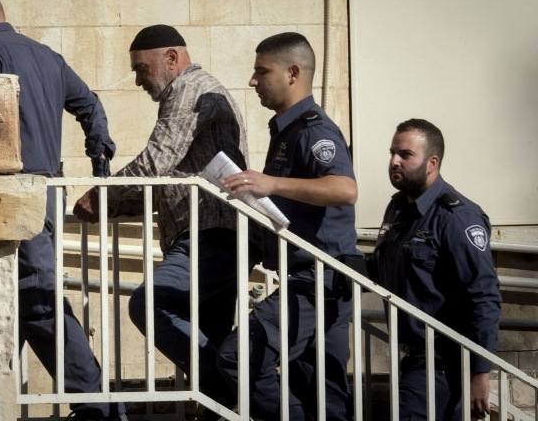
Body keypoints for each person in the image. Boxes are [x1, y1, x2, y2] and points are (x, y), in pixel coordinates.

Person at [73, 24, 253, 418]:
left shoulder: (189, 89)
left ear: (171, 58)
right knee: (211, 341)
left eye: (141, 68)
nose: (137, 80)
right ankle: (230, 399)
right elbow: (171, 180)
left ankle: (243, 388)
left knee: (148, 304)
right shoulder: (193, 90)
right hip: (213, 234)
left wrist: (101, 193)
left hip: (210, 234)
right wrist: (117, 207)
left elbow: (156, 162)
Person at [0, 0, 123, 421]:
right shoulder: (47, 55)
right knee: (11, 298)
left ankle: (99, 407)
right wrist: (99, 160)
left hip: (12, 193)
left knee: (37, 297)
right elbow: (90, 105)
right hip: (48, 193)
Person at [216, 32, 362, 421]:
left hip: (320, 279)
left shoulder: (314, 130)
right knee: (321, 394)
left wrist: (271, 183)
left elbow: (345, 190)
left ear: (293, 73)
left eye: (261, 71)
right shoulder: (288, 129)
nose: (252, 81)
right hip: (309, 279)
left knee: (239, 357)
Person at [368, 118, 501, 420]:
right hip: (414, 362)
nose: (394, 161)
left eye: (405, 154)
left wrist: (481, 372)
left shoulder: (457, 216)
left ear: (432, 162)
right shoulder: (398, 207)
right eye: (392, 153)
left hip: (443, 363)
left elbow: (483, 297)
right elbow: (379, 269)